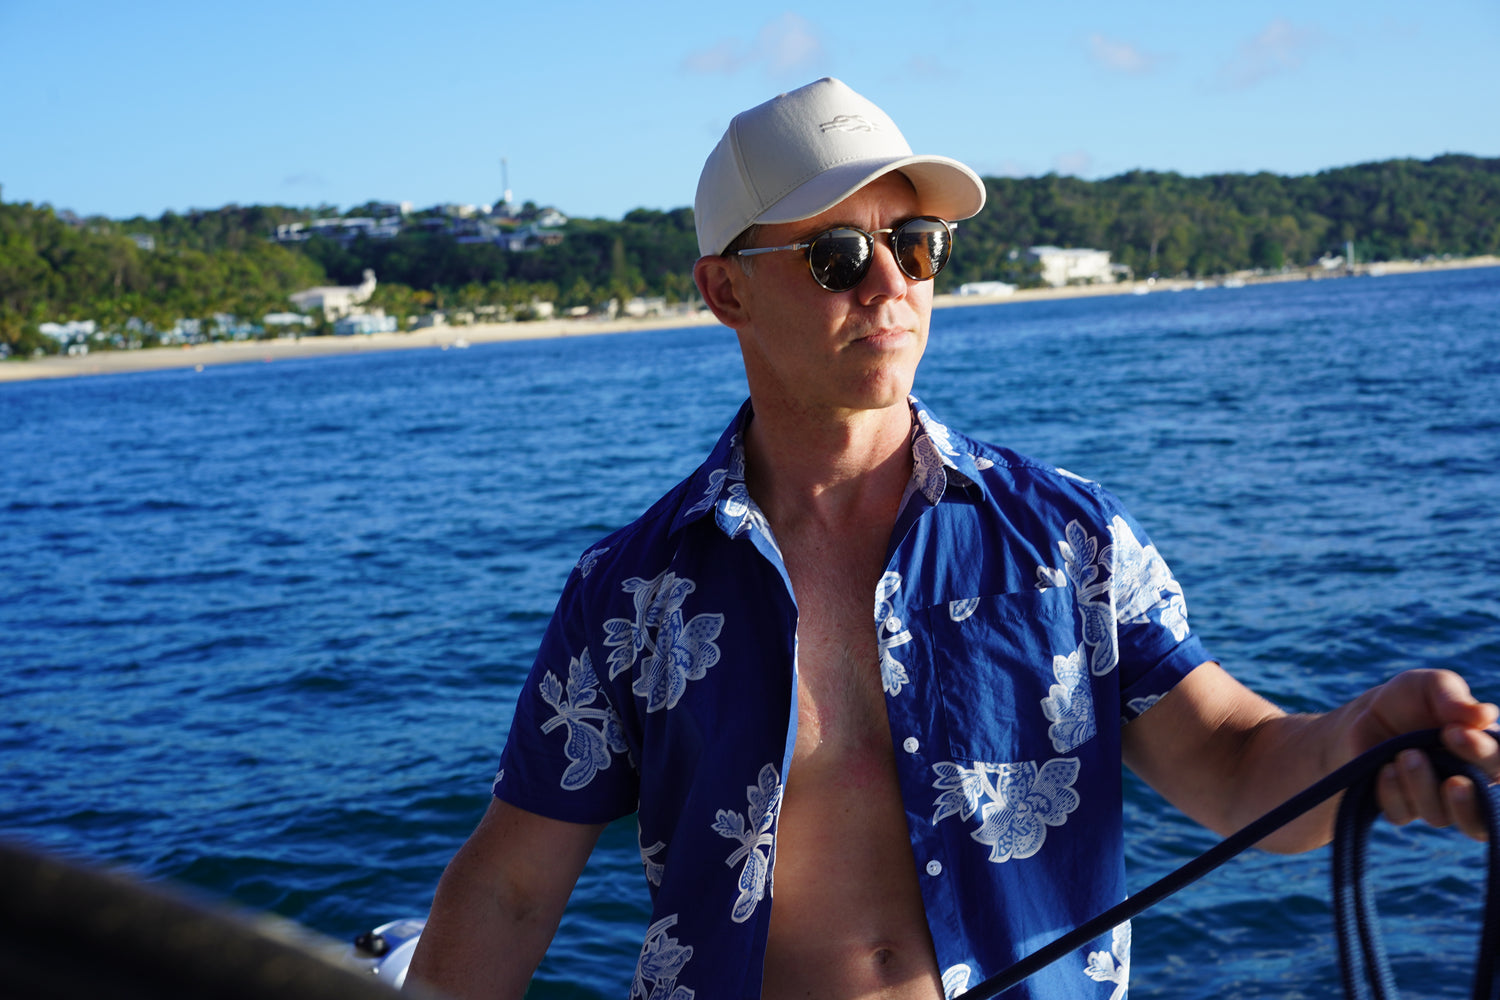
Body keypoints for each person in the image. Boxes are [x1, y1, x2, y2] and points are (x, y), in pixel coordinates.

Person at [407, 78, 1499, 1000]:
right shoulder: (630, 592)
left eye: (917, 246)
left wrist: (1363, 742)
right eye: (838, 255)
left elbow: (1232, 757)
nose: (891, 286)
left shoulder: (1070, 537)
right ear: (724, 288)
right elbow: (510, 882)